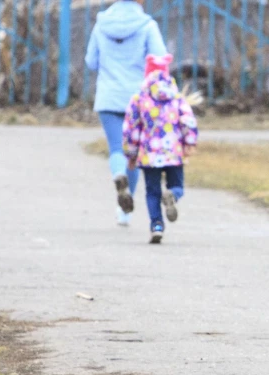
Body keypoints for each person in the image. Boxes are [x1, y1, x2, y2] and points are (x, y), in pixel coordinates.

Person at [84, 0, 166, 226]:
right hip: (138, 99)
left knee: (116, 148)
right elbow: (160, 59)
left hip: (108, 97)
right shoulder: (147, 26)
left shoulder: (101, 24)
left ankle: (117, 176)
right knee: (134, 154)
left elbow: (91, 62)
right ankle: (125, 213)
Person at [122, 54, 198, 244]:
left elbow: (132, 128)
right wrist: (189, 144)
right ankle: (172, 194)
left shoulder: (139, 99)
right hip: (173, 153)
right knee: (178, 185)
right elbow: (188, 121)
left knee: (152, 192)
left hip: (149, 154)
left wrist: (131, 153)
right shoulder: (177, 97)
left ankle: (156, 226)